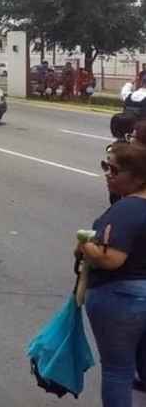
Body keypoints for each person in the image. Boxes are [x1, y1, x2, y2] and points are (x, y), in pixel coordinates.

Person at [78, 143, 146, 406]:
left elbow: (111, 259)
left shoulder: (127, 209)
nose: (107, 173)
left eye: (114, 170)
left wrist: (84, 245)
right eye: (105, 166)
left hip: (122, 299)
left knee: (118, 371)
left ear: (138, 177)